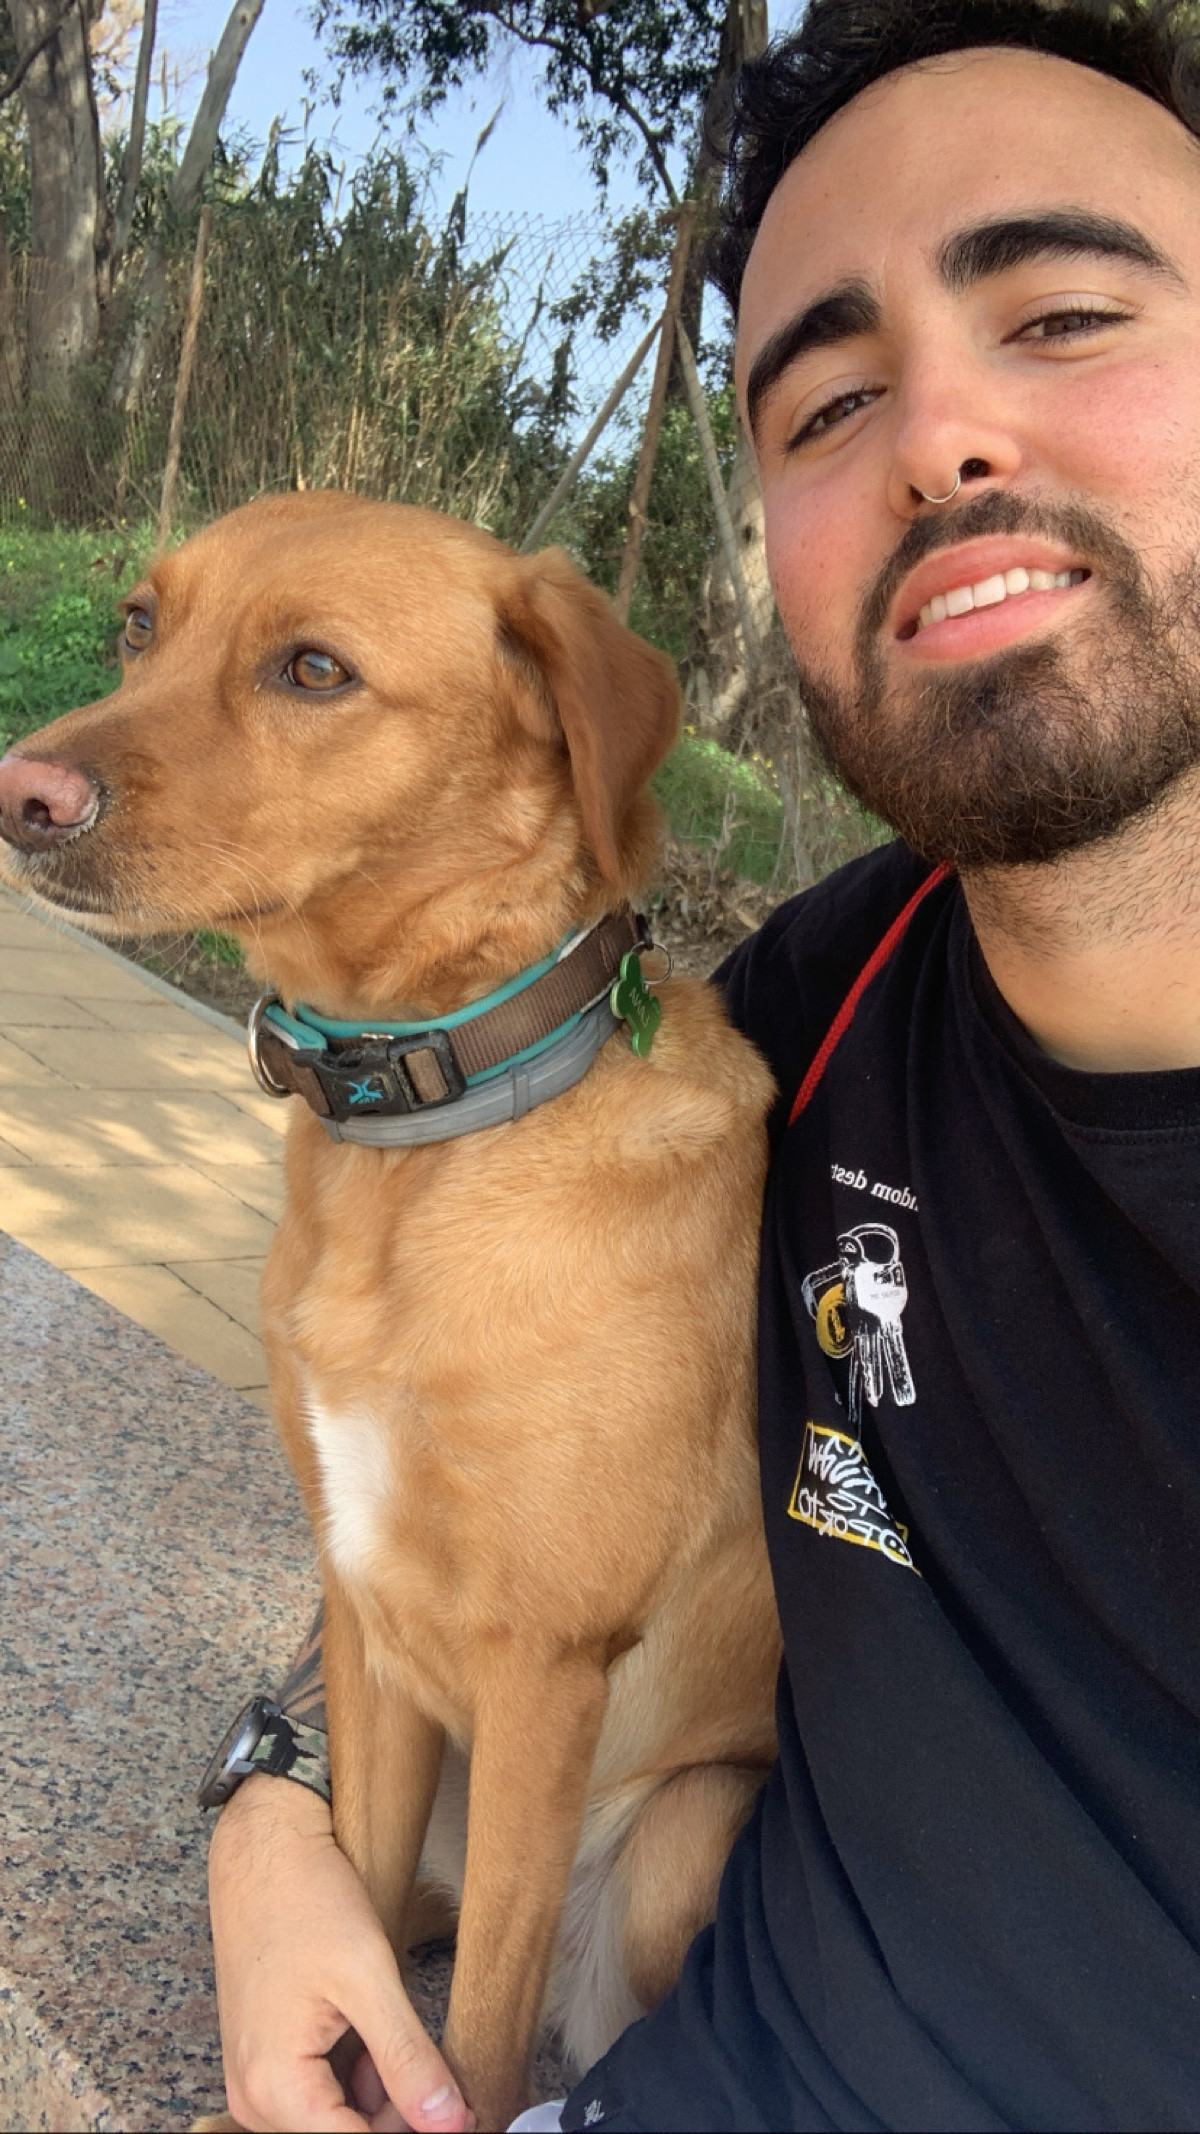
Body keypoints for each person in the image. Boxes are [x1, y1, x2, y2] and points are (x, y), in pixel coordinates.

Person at [204, 2, 1200, 2125]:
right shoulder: (789, 1026)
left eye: (1063, 314)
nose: (942, 438)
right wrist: (272, 1796)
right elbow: (493, 1530)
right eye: (827, 401)